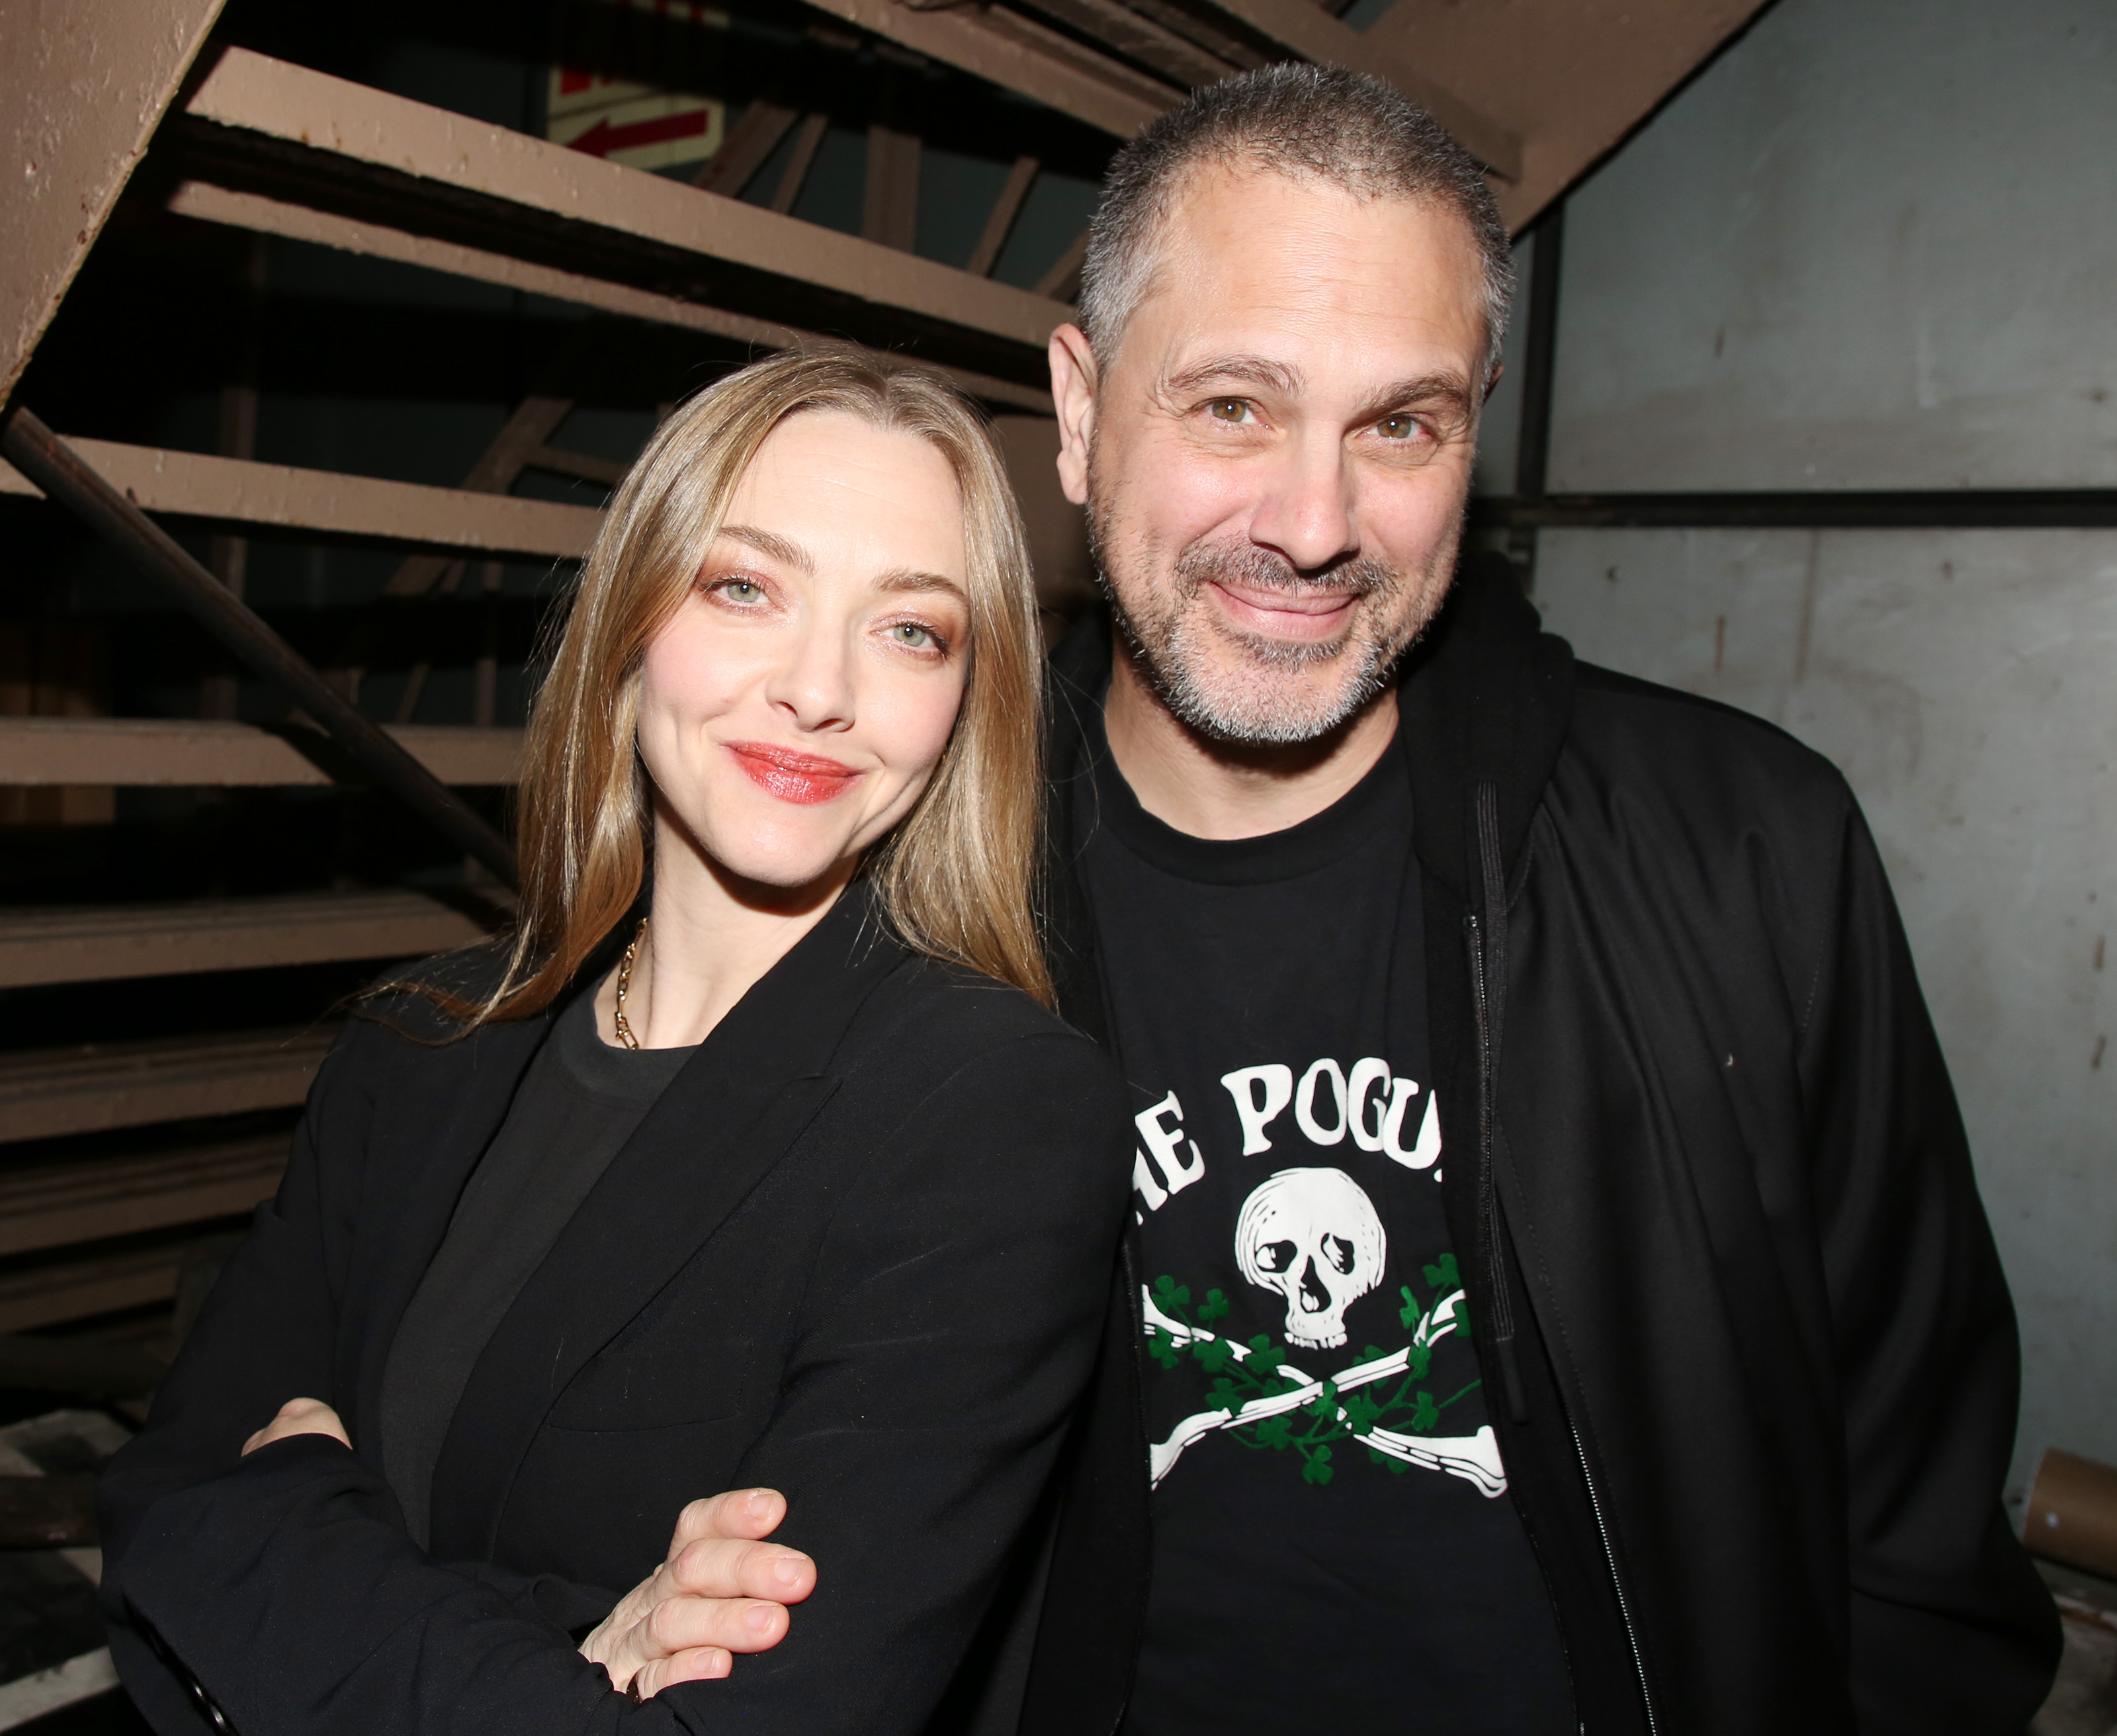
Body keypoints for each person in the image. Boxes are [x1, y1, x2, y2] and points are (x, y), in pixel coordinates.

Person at [608, 67, 2065, 1736]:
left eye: (1401, 424)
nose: (1311, 526)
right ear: (1078, 413)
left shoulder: (1739, 851)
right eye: (1231, 405)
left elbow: (1916, 1526)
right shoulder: (886, 894)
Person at [96, 347, 1131, 1735]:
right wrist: (574, 1650)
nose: (819, 689)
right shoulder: (419, 1043)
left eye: (910, 630)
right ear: (632, 620)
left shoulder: (992, 1113)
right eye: (745, 586)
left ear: (963, 707)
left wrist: (306, 1531)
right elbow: (162, 1526)